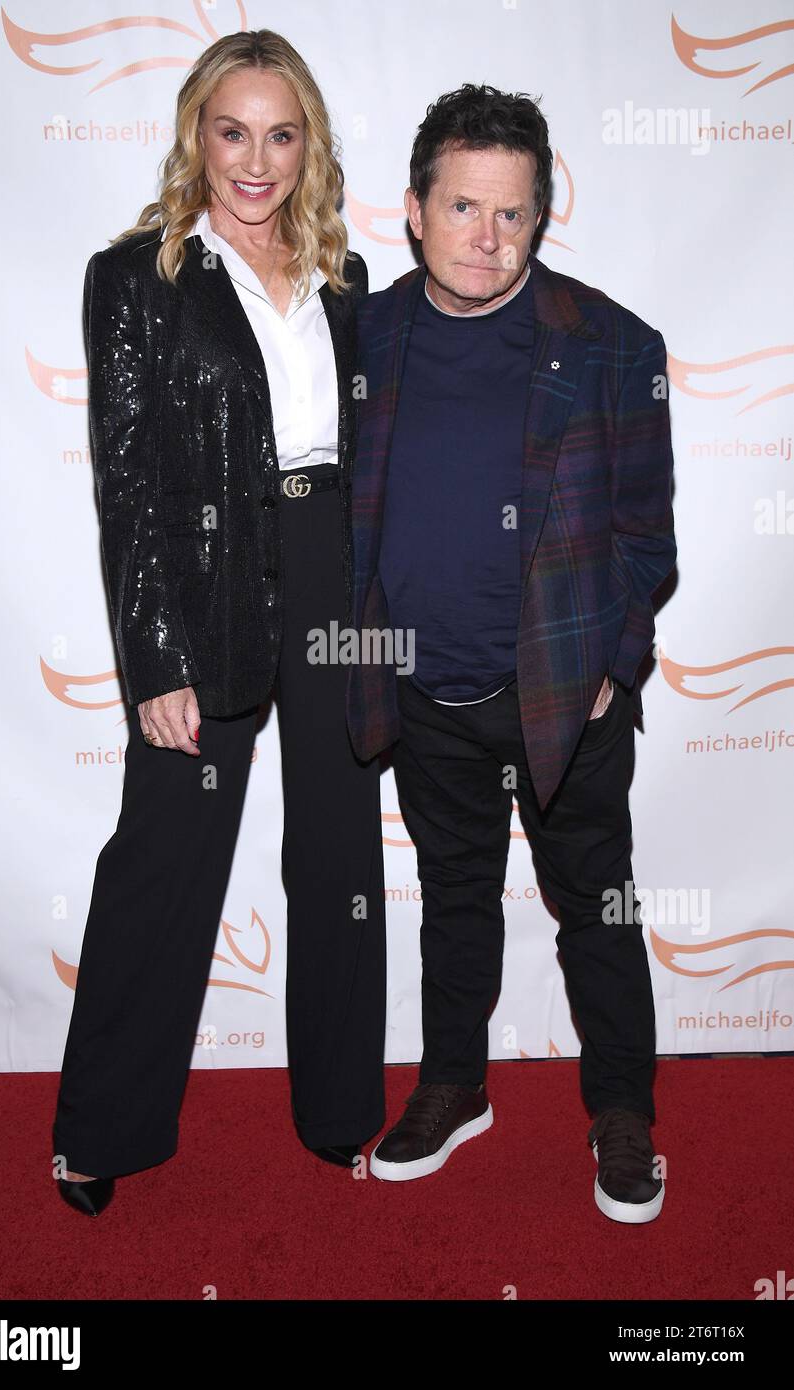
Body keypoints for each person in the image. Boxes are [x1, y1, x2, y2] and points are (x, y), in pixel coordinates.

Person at [52, 29, 386, 1216]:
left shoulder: (342, 282)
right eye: (232, 130)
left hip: (334, 574)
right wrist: (155, 654)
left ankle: (343, 1111)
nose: (256, 160)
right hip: (207, 581)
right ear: (198, 133)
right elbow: (128, 482)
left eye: (280, 134)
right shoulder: (138, 277)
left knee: (341, 859)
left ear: (310, 147)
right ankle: (100, 1127)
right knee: (166, 857)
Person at [346, 85, 676, 1223]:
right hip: (423, 689)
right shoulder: (364, 336)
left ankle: (622, 1110)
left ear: (540, 216)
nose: (486, 238)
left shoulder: (612, 345)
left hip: (563, 700)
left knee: (601, 905)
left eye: (512, 214)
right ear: (414, 209)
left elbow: (645, 537)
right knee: (453, 898)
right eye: (463, 208)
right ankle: (452, 1087)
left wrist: (611, 665)